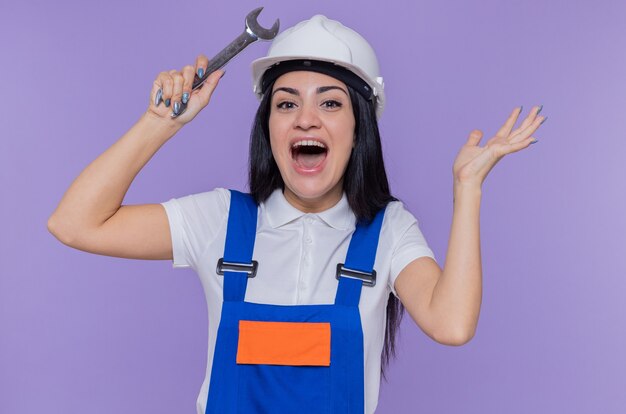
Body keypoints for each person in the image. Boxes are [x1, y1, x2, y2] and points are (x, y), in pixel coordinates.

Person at [47, 14, 546, 414]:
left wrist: (468, 188)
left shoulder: (387, 231)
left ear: (359, 129)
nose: (305, 117)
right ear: (268, 128)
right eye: (286, 104)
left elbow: (452, 324)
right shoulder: (219, 221)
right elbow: (75, 223)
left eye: (330, 103)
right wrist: (158, 123)